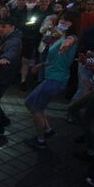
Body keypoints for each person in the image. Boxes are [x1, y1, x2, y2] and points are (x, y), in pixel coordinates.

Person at [23, 12, 79, 149]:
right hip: (51, 76)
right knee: (29, 102)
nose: (63, 22)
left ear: (73, 24)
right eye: (62, 20)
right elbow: (54, 58)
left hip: (56, 79)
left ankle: (40, 140)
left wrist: (67, 43)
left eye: (67, 21)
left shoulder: (71, 37)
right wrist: (41, 65)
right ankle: (47, 130)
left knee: (36, 108)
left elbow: (71, 40)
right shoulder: (61, 37)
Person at [67, 9, 94, 122]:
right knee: (83, 89)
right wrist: (87, 52)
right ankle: (71, 112)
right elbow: (81, 45)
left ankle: (86, 115)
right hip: (87, 63)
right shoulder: (93, 31)